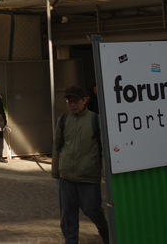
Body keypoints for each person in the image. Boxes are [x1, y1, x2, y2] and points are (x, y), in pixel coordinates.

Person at [52, 86, 109, 244]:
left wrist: (105, 174)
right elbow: (57, 147)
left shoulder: (95, 120)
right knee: (68, 213)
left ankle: (104, 229)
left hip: (88, 176)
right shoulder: (63, 120)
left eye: (76, 101)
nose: (72, 105)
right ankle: (71, 241)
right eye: (69, 102)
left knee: (92, 210)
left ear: (85, 101)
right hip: (66, 176)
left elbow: (104, 148)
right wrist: (56, 172)